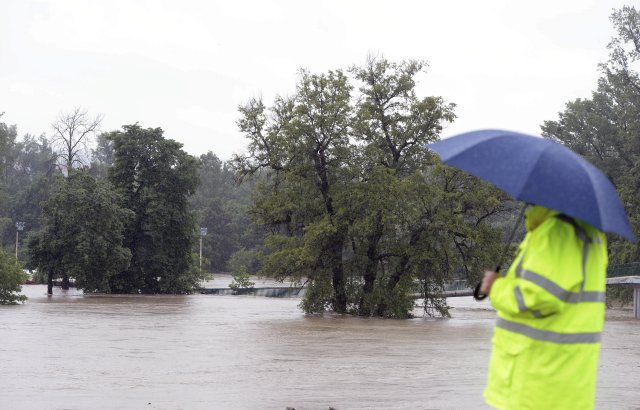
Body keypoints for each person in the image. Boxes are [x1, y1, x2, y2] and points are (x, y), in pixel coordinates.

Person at [480, 204, 608, 409]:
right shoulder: (588, 230)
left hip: (538, 379)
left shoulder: (557, 231)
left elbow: (536, 297)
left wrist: (496, 287)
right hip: (563, 377)